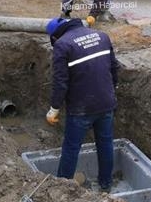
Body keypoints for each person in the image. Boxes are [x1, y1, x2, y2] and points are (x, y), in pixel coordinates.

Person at [45, 16, 119, 193]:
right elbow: (114, 67)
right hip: (106, 103)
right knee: (105, 143)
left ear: (54, 36)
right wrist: (110, 90)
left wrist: (54, 109)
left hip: (81, 108)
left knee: (71, 148)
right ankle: (106, 184)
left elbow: (60, 82)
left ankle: (63, 189)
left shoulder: (62, 45)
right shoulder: (101, 36)